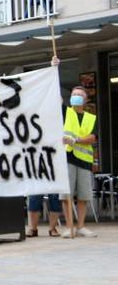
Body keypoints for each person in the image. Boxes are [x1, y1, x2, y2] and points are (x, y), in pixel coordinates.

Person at [60, 86, 97, 238]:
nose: (75, 96)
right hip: (67, 158)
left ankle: (81, 226)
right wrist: (53, 67)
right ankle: (69, 227)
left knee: (83, 195)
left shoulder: (91, 117)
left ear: (85, 99)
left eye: (79, 94)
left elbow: (93, 137)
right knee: (66, 194)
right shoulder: (65, 112)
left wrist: (76, 140)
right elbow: (54, 96)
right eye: (73, 93)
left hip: (84, 161)